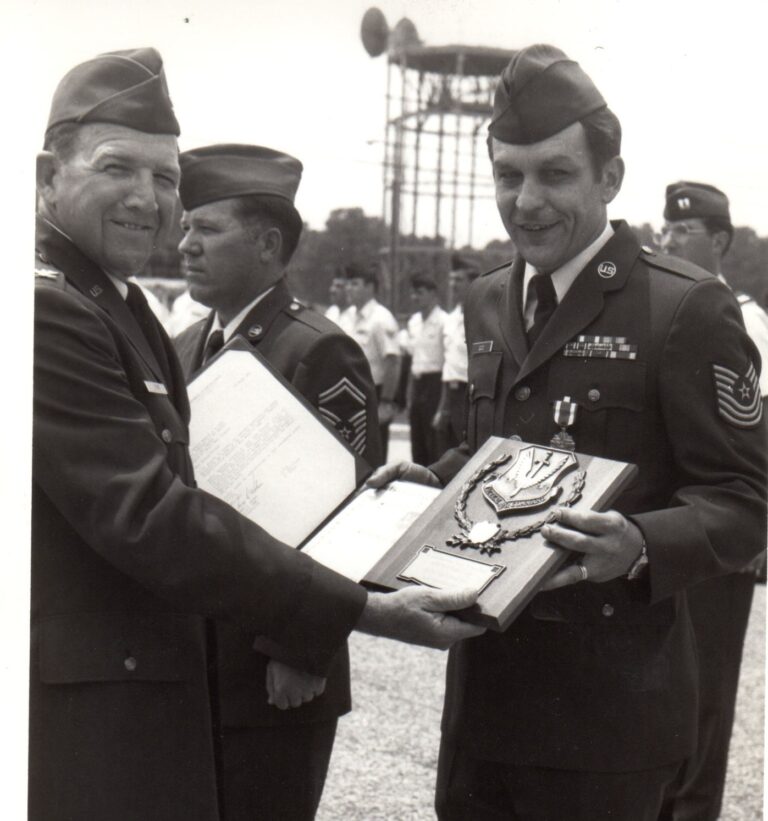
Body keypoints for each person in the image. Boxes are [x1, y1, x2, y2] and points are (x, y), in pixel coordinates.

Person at [31, 47, 483, 821]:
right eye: (118, 168)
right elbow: (151, 514)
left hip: (201, 654)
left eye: (165, 179)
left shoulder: (129, 308)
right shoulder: (53, 309)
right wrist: (361, 612)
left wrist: (305, 638)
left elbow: (334, 503)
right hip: (106, 702)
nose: (152, 203)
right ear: (47, 177)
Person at [369, 44, 766, 821]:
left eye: (554, 174)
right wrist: (435, 476)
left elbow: (745, 498)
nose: (527, 201)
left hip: (610, 716)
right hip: (483, 698)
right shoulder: (486, 300)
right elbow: (498, 448)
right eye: (509, 175)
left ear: (609, 179)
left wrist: (640, 542)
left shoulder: (681, 309)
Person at [173, 143, 383, 820]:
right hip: (186, 661)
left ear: (268, 244)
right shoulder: (181, 347)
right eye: (185, 227)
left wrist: (302, 648)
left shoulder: (318, 349)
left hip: (270, 669)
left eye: (206, 228)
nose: (186, 244)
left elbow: (344, 514)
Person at [657, 181, 768, 821]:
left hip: (721, 534)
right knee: (672, 682)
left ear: (720, 240)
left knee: (707, 687)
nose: (669, 239)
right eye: (668, 230)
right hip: (678, 525)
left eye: (685, 231)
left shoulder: (743, 316)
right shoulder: (671, 306)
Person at [345, 263, 401, 460]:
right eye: (348, 283)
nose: (348, 288)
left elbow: (392, 361)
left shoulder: (381, 318)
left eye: (355, 284)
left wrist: (386, 401)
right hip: (350, 393)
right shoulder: (348, 317)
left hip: (373, 394)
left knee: (373, 456)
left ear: (370, 287)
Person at [432, 261, 480, 452]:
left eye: (459, 279)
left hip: (470, 395)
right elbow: (448, 366)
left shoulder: (481, 316)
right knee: (444, 453)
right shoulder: (450, 319)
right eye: (451, 280)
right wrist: (442, 408)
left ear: (473, 283)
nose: (453, 284)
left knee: (466, 453)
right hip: (450, 395)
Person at [404, 274, 447, 465]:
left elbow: (448, 362)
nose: (414, 297)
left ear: (433, 294)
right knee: (417, 441)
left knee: (434, 443)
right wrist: (409, 396)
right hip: (418, 385)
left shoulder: (444, 321)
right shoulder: (413, 322)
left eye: (419, 293)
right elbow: (413, 362)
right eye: (412, 293)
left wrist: (442, 405)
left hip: (435, 385)